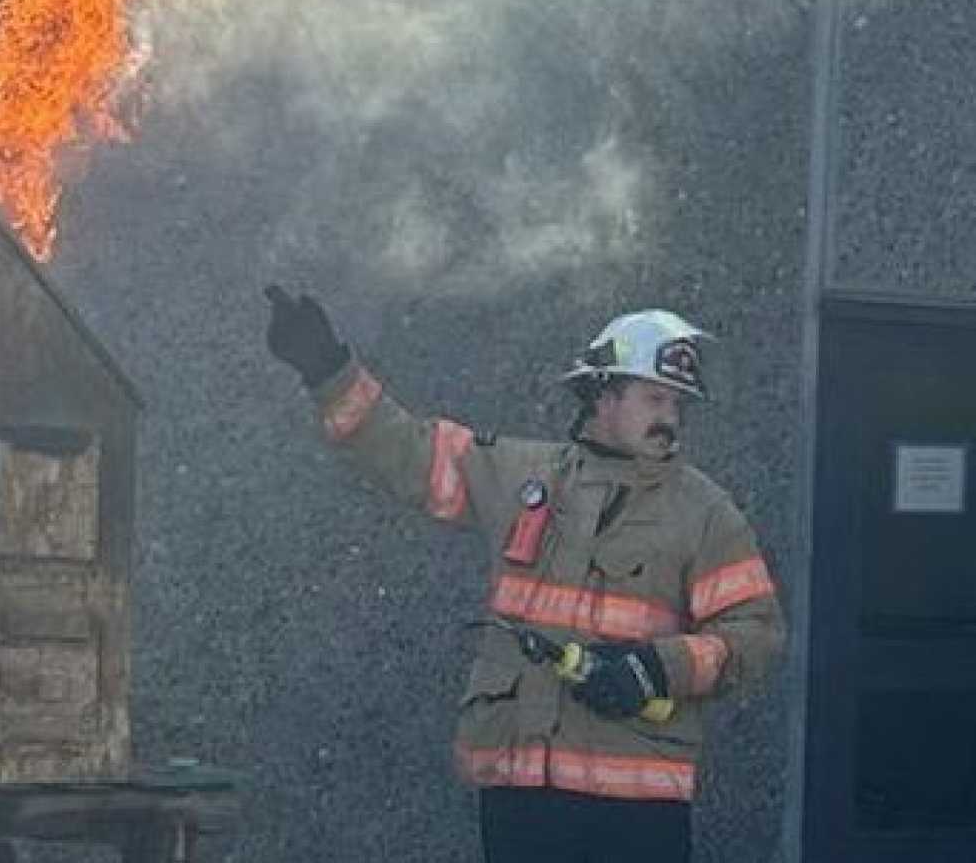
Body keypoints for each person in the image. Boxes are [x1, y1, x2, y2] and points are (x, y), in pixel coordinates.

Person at [264, 288, 786, 863]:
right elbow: (412, 455)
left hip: (636, 811)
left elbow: (753, 634)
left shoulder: (704, 512)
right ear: (602, 395)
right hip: (523, 795)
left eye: (677, 405)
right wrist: (330, 372)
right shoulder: (524, 477)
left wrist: (657, 667)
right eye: (654, 397)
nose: (668, 418)